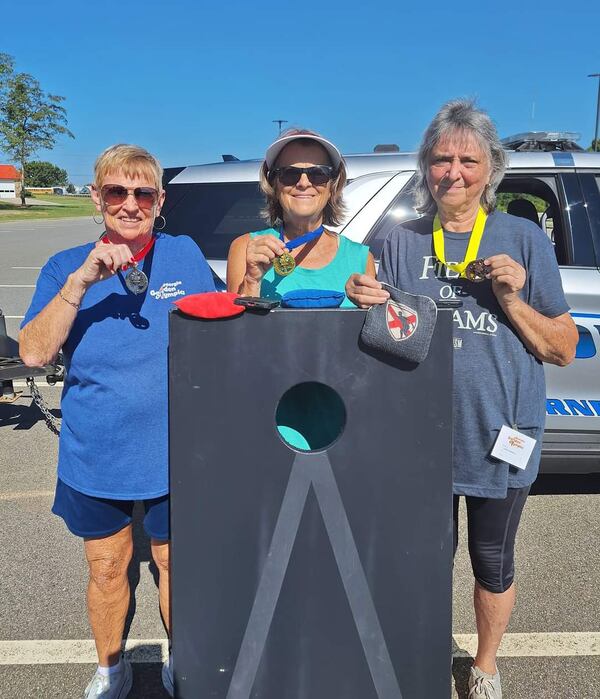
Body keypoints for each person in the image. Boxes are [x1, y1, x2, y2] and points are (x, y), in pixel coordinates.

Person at [346, 100, 578, 699]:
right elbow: (368, 329)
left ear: (491, 168)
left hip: (500, 431)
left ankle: (486, 667)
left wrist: (512, 300)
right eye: (442, 158)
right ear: (427, 167)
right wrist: (358, 294)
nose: (455, 171)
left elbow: (563, 348)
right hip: (415, 436)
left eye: (468, 159)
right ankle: (420, 655)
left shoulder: (522, 239)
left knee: (493, 560)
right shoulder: (397, 239)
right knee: (422, 559)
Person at [19, 144, 215, 698]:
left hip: (176, 449)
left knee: (175, 564)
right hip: (98, 450)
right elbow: (33, 352)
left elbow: (223, 329)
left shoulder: (183, 255)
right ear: (97, 197)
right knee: (107, 566)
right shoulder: (64, 267)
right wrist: (80, 284)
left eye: (143, 193)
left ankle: (183, 663)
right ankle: (111, 669)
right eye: (116, 192)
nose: (130, 204)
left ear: (160, 201)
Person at [227, 128, 376, 306]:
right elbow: (238, 330)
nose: (303, 183)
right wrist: (251, 281)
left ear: (333, 186)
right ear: (274, 184)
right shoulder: (246, 248)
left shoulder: (360, 258)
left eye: (318, 174)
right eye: (289, 174)